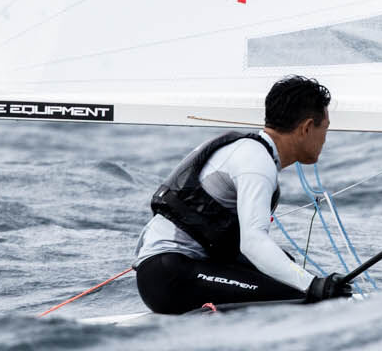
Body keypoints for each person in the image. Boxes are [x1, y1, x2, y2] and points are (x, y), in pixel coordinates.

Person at [133, 74, 353, 314]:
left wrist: (308, 281)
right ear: (307, 127)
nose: (325, 139)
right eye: (325, 129)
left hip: (170, 270)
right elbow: (253, 243)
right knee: (303, 299)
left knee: (288, 272)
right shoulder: (256, 161)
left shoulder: (249, 151)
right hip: (170, 274)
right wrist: (313, 285)